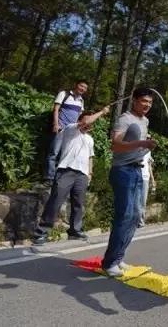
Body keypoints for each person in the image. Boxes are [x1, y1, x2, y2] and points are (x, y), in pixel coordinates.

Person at [33, 107, 110, 245]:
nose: (89, 124)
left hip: (82, 174)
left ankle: (75, 231)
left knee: (78, 204)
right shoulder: (70, 129)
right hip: (66, 170)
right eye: (86, 121)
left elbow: (90, 157)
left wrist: (90, 173)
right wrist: (102, 112)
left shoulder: (90, 139)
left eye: (90, 124)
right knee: (55, 201)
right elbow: (87, 120)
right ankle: (41, 233)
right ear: (80, 120)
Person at [101, 88, 157, 277]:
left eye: (149, 102)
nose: (147, 105)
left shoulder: (145, 121)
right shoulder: (125, 119)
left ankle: (118, 258)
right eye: (143, 101)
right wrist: (142, 144)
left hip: (137, 169)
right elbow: (115, 145)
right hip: (122, 171)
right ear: (134, 100)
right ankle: (109, 263)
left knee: (135, 217)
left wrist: (145, 144)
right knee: (124, 215)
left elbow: (135, 144)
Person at [44, 79, 88, 186]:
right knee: (53, 153)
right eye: (81, 86)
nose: (83, 89)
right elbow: (56, 109)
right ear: (76, 85)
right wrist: (55, 124)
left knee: (65, 155)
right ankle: (49, 178)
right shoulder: (64, 94)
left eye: (85, 88)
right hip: (61, 128)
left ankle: (58, 178)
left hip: (72, 132)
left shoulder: (81, 101)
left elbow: (79, 117)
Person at [137, 148, 155, 228]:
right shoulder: (136, 148)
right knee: (136, 200)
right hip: (136, 176)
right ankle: (135, 221)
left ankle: (141, 221)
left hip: (145, 178)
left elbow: (149, 166)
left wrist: (152, 179)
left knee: (143, 201)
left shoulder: (148, 151)